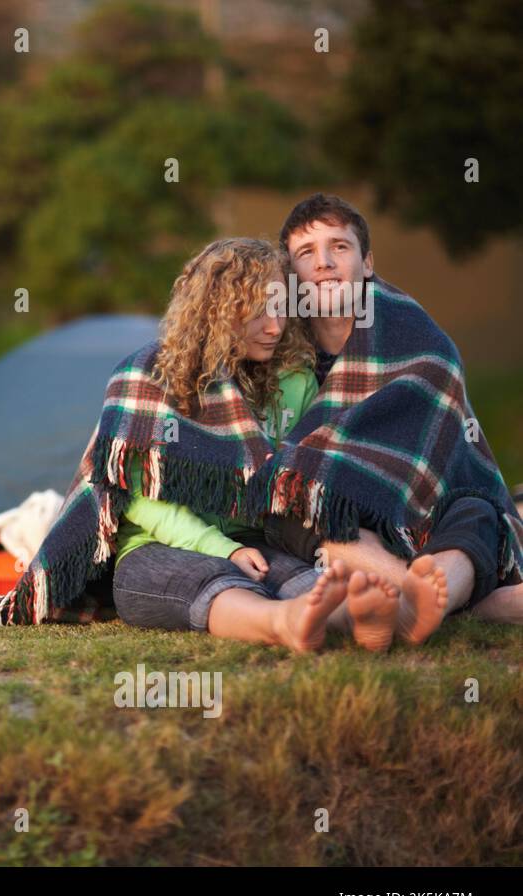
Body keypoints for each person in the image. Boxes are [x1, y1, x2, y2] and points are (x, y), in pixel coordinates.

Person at [108, 238, 392, 653]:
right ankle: (282, 624)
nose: (275, 326)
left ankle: (359, 617)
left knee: (304, 581)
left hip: (254, 536)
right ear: (216, 312)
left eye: (279, 307)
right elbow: (140, 500)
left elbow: (307, 472)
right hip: (154, 546)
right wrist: (222, 548)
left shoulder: (295, 381)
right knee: (211, 581)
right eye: (257, 311)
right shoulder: (150, 377)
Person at [264, 194, 523, 638]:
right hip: (334, 517)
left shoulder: (420, 342)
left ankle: (435, 593)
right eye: (307, 253)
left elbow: (453, 461)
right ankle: (429, 598)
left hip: (418, 511)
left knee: (475, 508)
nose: (324, 262)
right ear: (291, 276)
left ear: (367, 263)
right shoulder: (271, 344)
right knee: (296, 495)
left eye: (339, 247)